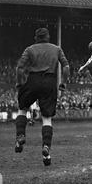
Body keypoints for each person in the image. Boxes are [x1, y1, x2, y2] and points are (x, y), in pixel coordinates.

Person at [15, 28, 70, 166]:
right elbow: (66, 66)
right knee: (46, 118)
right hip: (49, 82)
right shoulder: (56, 49)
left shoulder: (29, 49)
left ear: (36, 38)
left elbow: (20, 68)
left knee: (22, 109)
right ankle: (46, 150)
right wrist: (62, 82)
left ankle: (20, 136)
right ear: (48, 37)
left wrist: (19, 83)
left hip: (32, 80)